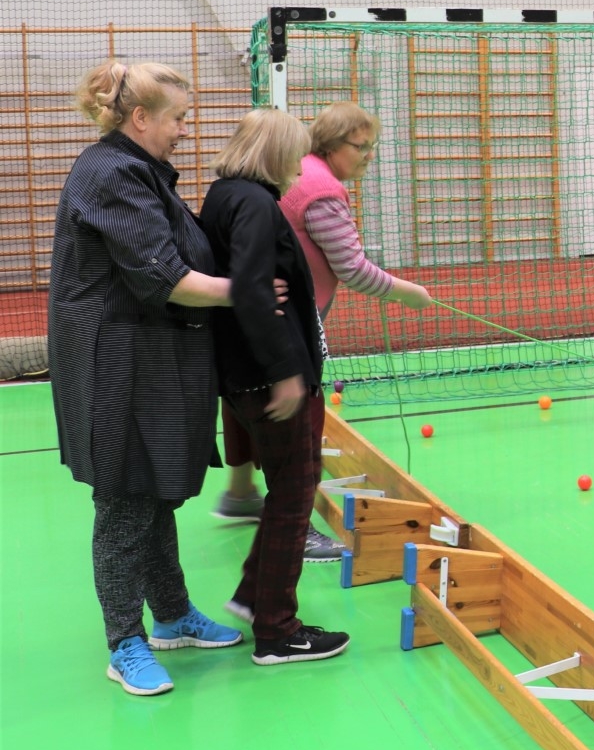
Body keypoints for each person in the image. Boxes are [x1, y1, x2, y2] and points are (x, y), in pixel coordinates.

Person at [50, 59, 244, 697]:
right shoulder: (113, 175)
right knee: (125, 504)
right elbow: (168, 279)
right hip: (114, 365)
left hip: (151, 359)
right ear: (140, 118)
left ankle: (173, 614)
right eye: (177, 118)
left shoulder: (137, 170)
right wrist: (252, 293)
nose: (184, 130)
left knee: (154, 492)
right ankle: (123, 642)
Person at [214, 102, 430, 565]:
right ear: (330, 147)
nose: (368, 155)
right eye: (361, 146)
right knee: (300, 426)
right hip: (287, 326)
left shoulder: (265, 184)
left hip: (250, 325)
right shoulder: (321, 189)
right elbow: (351, 268)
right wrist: (407, 292)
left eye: (372, 146)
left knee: (247, 407)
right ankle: (296, 528)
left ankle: (240, 491)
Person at [201, 108, 351, 665]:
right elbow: (253, 288)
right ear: (276, 154)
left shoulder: (226, 194)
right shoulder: (256, 204)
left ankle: (252, 597)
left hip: (246, 373)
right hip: (266, 375)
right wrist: (286, 373)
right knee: (293, 493)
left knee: (289, 488)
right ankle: (278, 630)